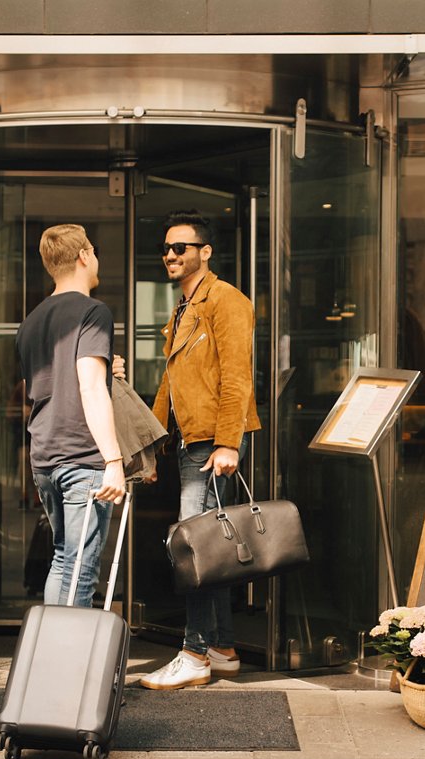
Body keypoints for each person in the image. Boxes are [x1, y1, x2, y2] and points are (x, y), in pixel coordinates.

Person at [140, 210, 261, 690]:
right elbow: (172, 382)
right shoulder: (184, 307)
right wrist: (150, 446)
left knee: (193, 547)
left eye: (181, 248)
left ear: (204, 252)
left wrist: (230, 442)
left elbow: (237, 376)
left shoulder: (225, 300)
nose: (170, 255)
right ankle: (223, 648)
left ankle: (193, 654)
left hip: (215, 443)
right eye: (166, 248)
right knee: (210, 548)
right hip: (194, 442)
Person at [16, 224, 126, 608]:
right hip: (83, 456)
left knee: (64, 559)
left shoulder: (32, 321)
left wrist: (107, 369)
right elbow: (89, 388)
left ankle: (51, 654)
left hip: (45, 455)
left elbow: (53, 382)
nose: (96, 259)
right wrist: (114, 460)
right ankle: (68, 663)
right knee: (81, 568)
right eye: (93, 251)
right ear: (83, 256)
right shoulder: (93, 312)